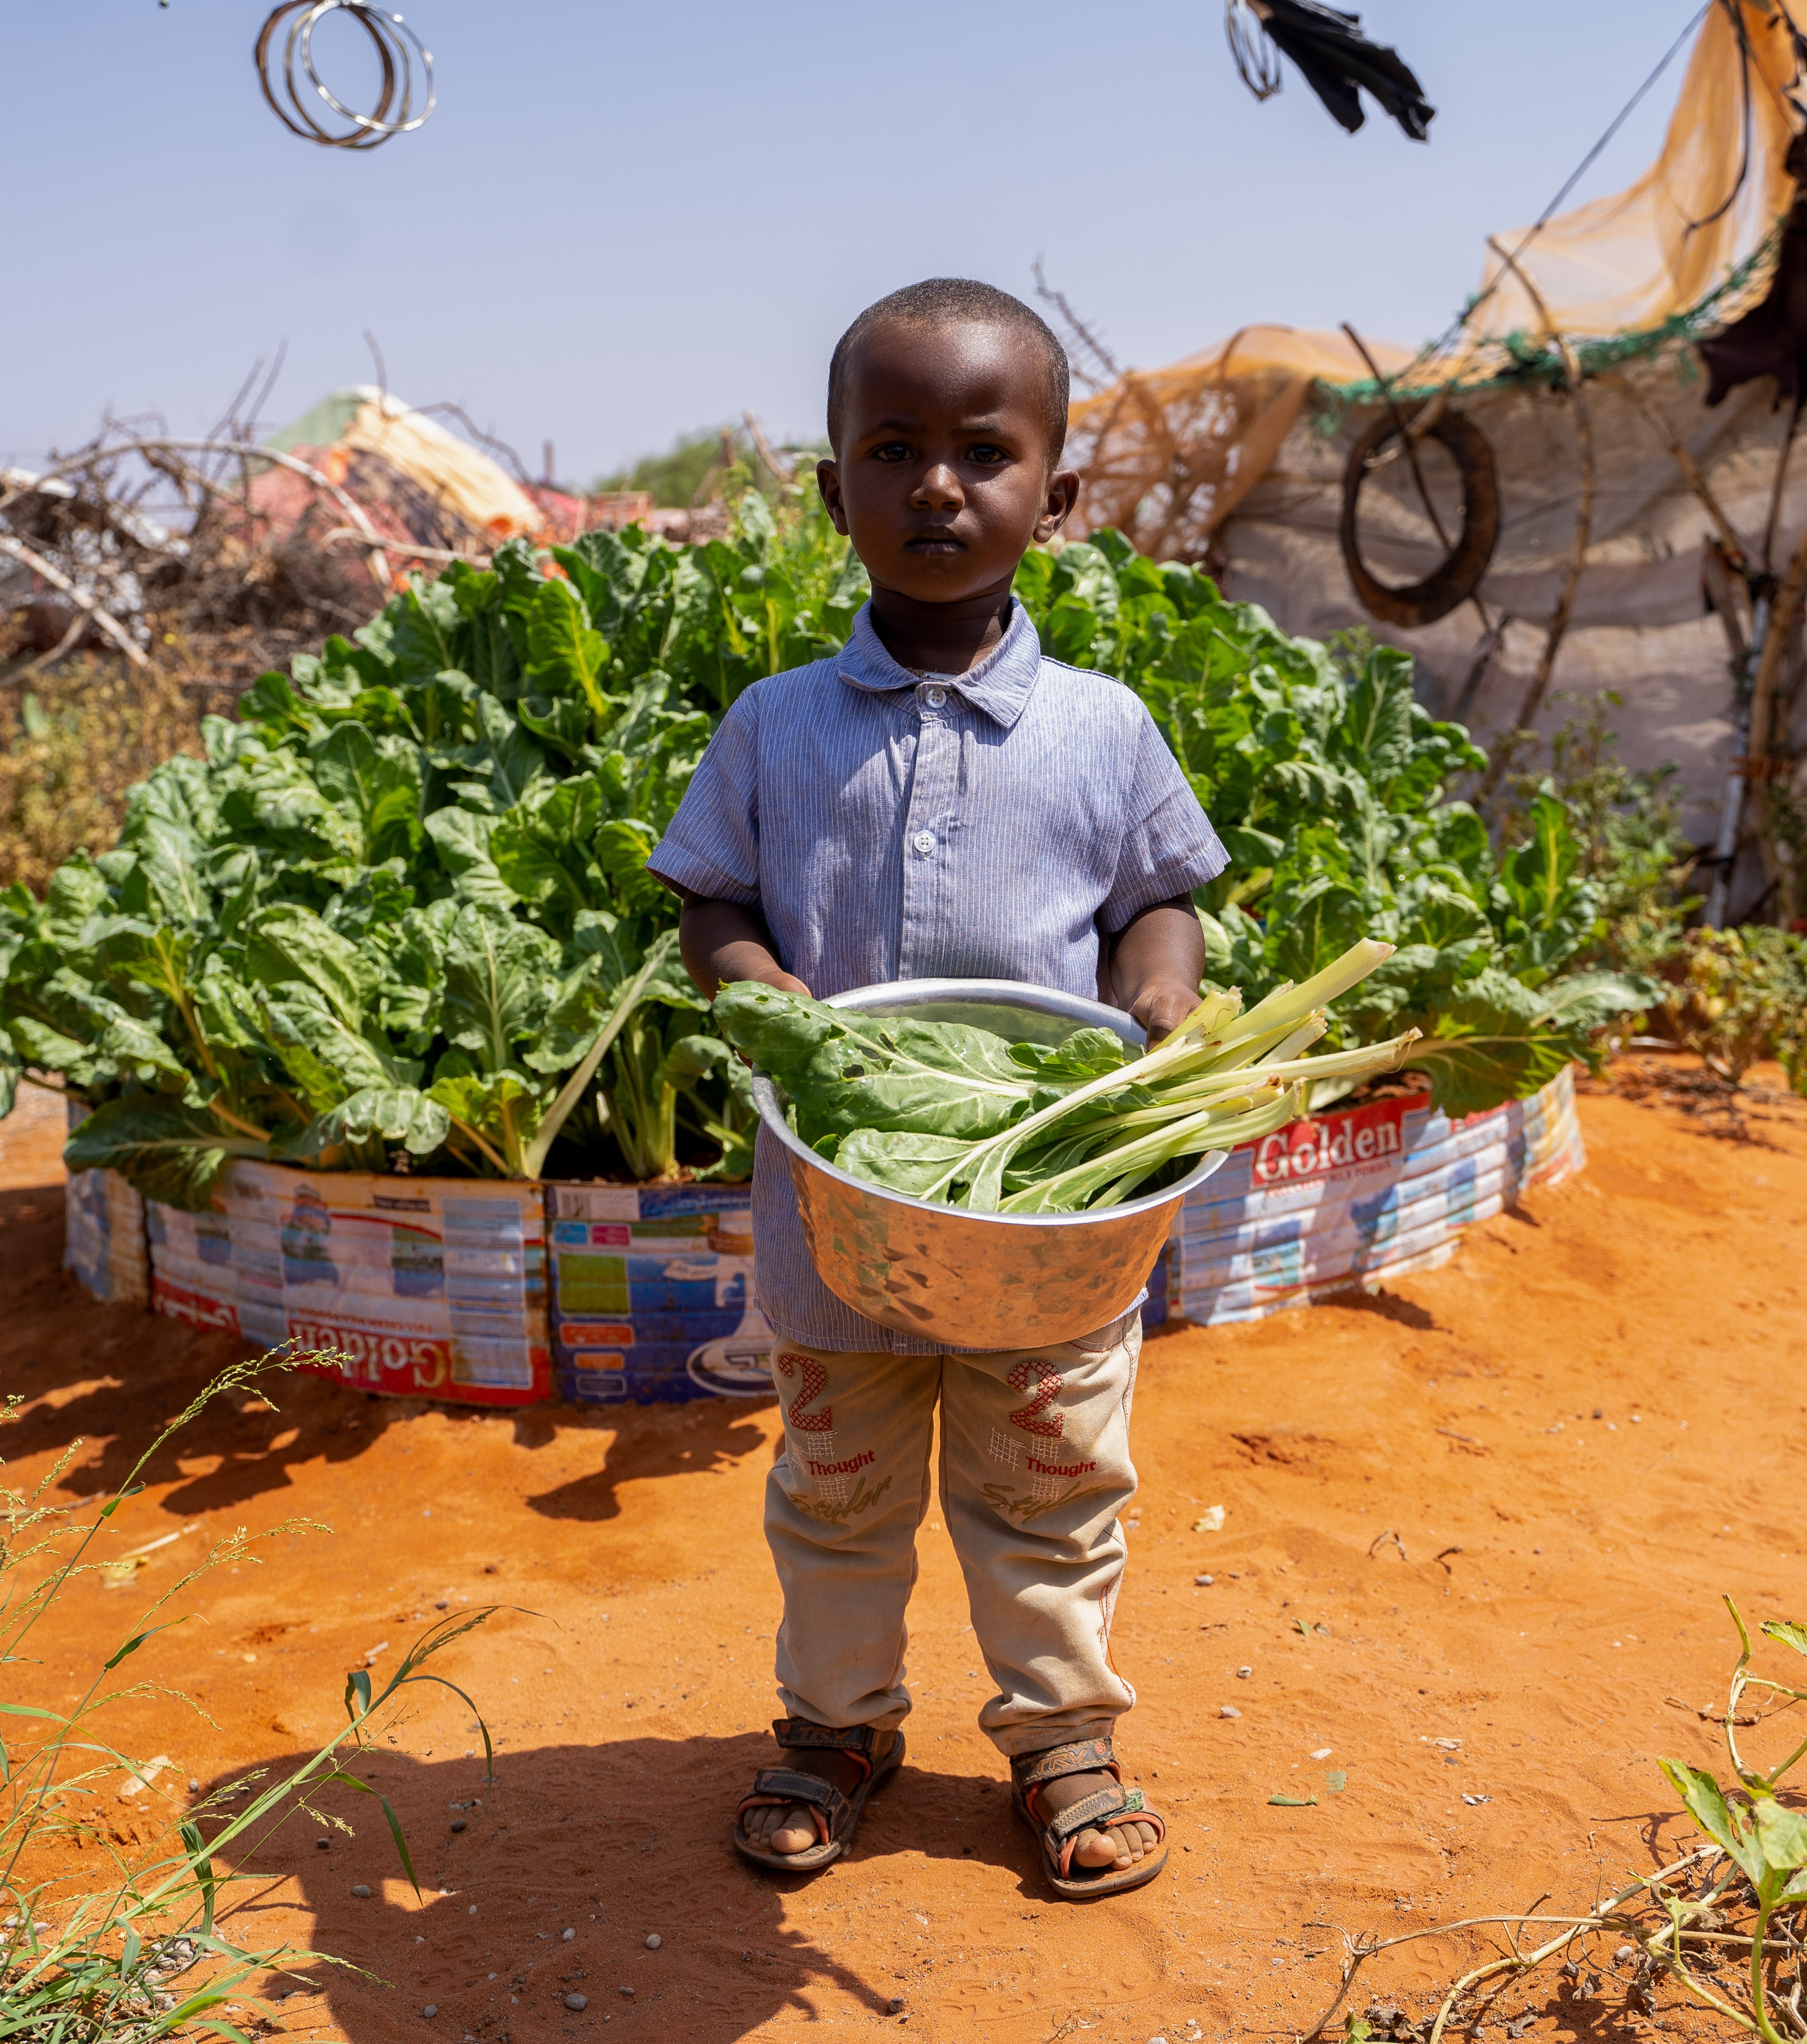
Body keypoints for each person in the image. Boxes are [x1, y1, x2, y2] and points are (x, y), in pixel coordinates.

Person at [648, 277, 1226, 1900]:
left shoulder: (1104, 731)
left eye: (985, 450)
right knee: (834, 1493)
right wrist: (748, 981)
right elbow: (714, 899)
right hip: (838, 1221)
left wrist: (1159, 990)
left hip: (1043, 1217)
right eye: (891, 450)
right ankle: (834, 1730)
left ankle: (1059, 1739)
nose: (938, 488)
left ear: (1060, 493)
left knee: (1049, 1488)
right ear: (832, 490)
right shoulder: (773, 727)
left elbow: (1157, 900)